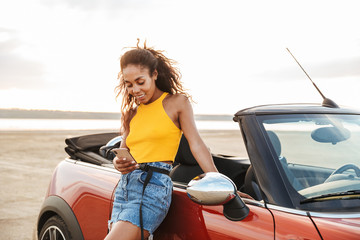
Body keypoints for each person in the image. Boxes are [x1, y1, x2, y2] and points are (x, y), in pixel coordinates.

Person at [105, 40, 218, 240]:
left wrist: (218, 181)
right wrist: (118, 163)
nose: (135, 90)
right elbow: (124, 152)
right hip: (125, 189)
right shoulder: (131, 113)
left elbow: (197, 145)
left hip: (153, 188)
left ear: (154, 75)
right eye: (129, 84)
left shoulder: (177, 103)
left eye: (141, 82)